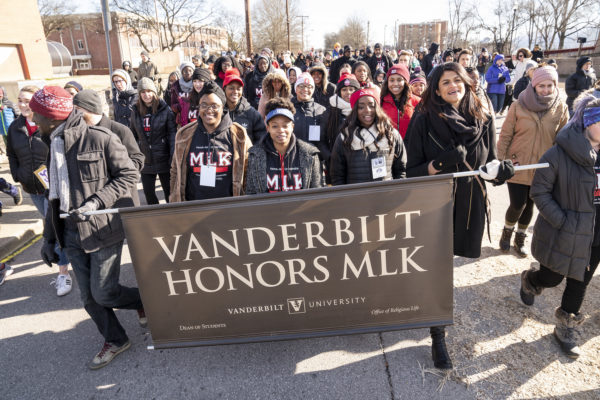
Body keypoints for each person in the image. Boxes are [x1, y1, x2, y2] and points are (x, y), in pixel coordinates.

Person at [405, 62, 514, 369]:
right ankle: (437, 334)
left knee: (447, 267)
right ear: (435, 89)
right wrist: (439, 165)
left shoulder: (482, 114)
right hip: (433, 207)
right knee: (437, 271)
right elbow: (409, 173)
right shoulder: (423, 119)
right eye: (445, 82)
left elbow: (488, 165)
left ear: (466, 82)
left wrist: (501, 173)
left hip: (468, 205)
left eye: (457, 79)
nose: (453, 85)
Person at [32, 86, 144, 370]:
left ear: (52, 117)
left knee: (104, 293)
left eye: (37, 115)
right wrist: (48, 239)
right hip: (70, 233)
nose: (33, 119)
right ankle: (116, 339)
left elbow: (129, 173)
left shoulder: (100, 137)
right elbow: (53, 197)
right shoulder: (53, 145)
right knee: (89, 298)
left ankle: (144, 300)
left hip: (102, 230)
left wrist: (96, 202)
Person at [519, 92, 600, 359]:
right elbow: (540, 192)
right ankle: (531, 280)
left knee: (580, 282)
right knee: (552, 278)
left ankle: (565, 327)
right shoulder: (558, 153)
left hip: (595, 235)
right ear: (588, 123)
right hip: (565, 230)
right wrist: (562, 221)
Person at [6, 85, 72, 295]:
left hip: (53, 188)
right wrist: (17, 175)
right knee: (52, 225)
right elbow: (11, 154)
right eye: (20, 100)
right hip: (32, 188)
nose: (24, 105)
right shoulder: (15, 127)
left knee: (54, 226)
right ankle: (65, 257)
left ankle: (64, 273)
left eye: (28, 100)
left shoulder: (50, 126)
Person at [497, 66, 569, 257]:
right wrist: (504, 161)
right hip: (518, 164)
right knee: (517, 204)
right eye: (541, 86)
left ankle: (520, 238)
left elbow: (563, 138)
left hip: (543, 167)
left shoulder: (561, 107)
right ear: (534, 85)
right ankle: (507, 231)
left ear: (555, 85)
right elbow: (505, 135)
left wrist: (558, 164)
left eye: (549, 86)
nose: (545, 90)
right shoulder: (518, 105)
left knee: (531, 205)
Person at [170, 81, 251, 202]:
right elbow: (175, 171)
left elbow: (248, 170)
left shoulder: (238, 134)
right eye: (204, 105)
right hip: (193, 206)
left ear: (223, 107)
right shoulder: (184, 134)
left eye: (214, 105)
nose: (209, 110)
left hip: (228, 208)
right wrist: (173, 198)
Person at [330, 86, 407, 185]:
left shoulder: (391, 134)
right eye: (361, 107)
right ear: (355, 110)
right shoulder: (344, 137)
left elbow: (401, 170)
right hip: (356, 197)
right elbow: (337, 176)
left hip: (386, 196)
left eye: (371, 106)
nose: (367, 110)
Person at [246, 97, 323, 194]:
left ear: (292, 127)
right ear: (268, 128)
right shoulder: (255, 155)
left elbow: (317, 193)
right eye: (275, 126)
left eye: (285, 125)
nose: (281, 130)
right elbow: (251, 193)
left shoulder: (310, 154)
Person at [129, 78, 176, 205]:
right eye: (143, 92)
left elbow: (172, 134)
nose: (146, 95)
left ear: (154, 92)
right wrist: (134, 155)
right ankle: (155, 218)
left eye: (149, 91)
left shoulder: (165, 109)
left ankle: (172, 217)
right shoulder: (135, 111)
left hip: (163, 157)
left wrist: (172, 155)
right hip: (145, 159)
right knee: (149, 193)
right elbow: (132, 135)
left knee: (168, 192)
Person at [322, 73, 360, 180]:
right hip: (336, 163)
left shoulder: (362, 109)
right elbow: (322, 139)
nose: (348, 92)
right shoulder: (330, 111)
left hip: (359, 163)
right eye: (344, 89)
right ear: (339, 92)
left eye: (351, 89)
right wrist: (330, 156)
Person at [292, 73, 328, 163]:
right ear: (295, 88)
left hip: (314, 160)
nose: (305, 89)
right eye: (301, 86)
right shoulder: (288, 108)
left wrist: (326, 157)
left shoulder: (321, 110)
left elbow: (324, 139)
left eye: (309, 87)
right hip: (292, 159)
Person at [223, 69, 267, 144]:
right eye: (231, 88)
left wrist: (252, 154)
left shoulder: (251, 113)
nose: (235, 92)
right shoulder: (218, 112)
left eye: (238, 89)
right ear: (224, 89)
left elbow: (261, 139)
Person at [380, 64, 420, 139]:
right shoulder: (380, 102)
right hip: (388, 146)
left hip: (410, 146)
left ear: (405, 82)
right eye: (391, 80)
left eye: (399, 80)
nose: (395, 84)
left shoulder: (418, 102)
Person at [170, 62, 195, 127]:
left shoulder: (197, 83)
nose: (188, 73)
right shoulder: (176, 85)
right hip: (182, 120)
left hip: (195, 118)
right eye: (185, 71)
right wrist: (181, 106)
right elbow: (173, 104)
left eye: (190, 70)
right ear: (181, 72)